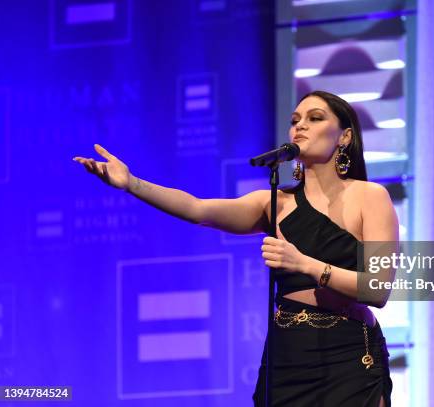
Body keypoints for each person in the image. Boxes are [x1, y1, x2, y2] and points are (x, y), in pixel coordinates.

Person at [74, 90, 398, 406]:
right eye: (295, 119)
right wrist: (132, 183)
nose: (300, 126)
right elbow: (197, 209)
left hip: (349, 353)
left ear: (344, 137)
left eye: (315, 118)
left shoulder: (370, 197)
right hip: (289, 355)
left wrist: (307, 265)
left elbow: (378, 289)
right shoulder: (275, 202)